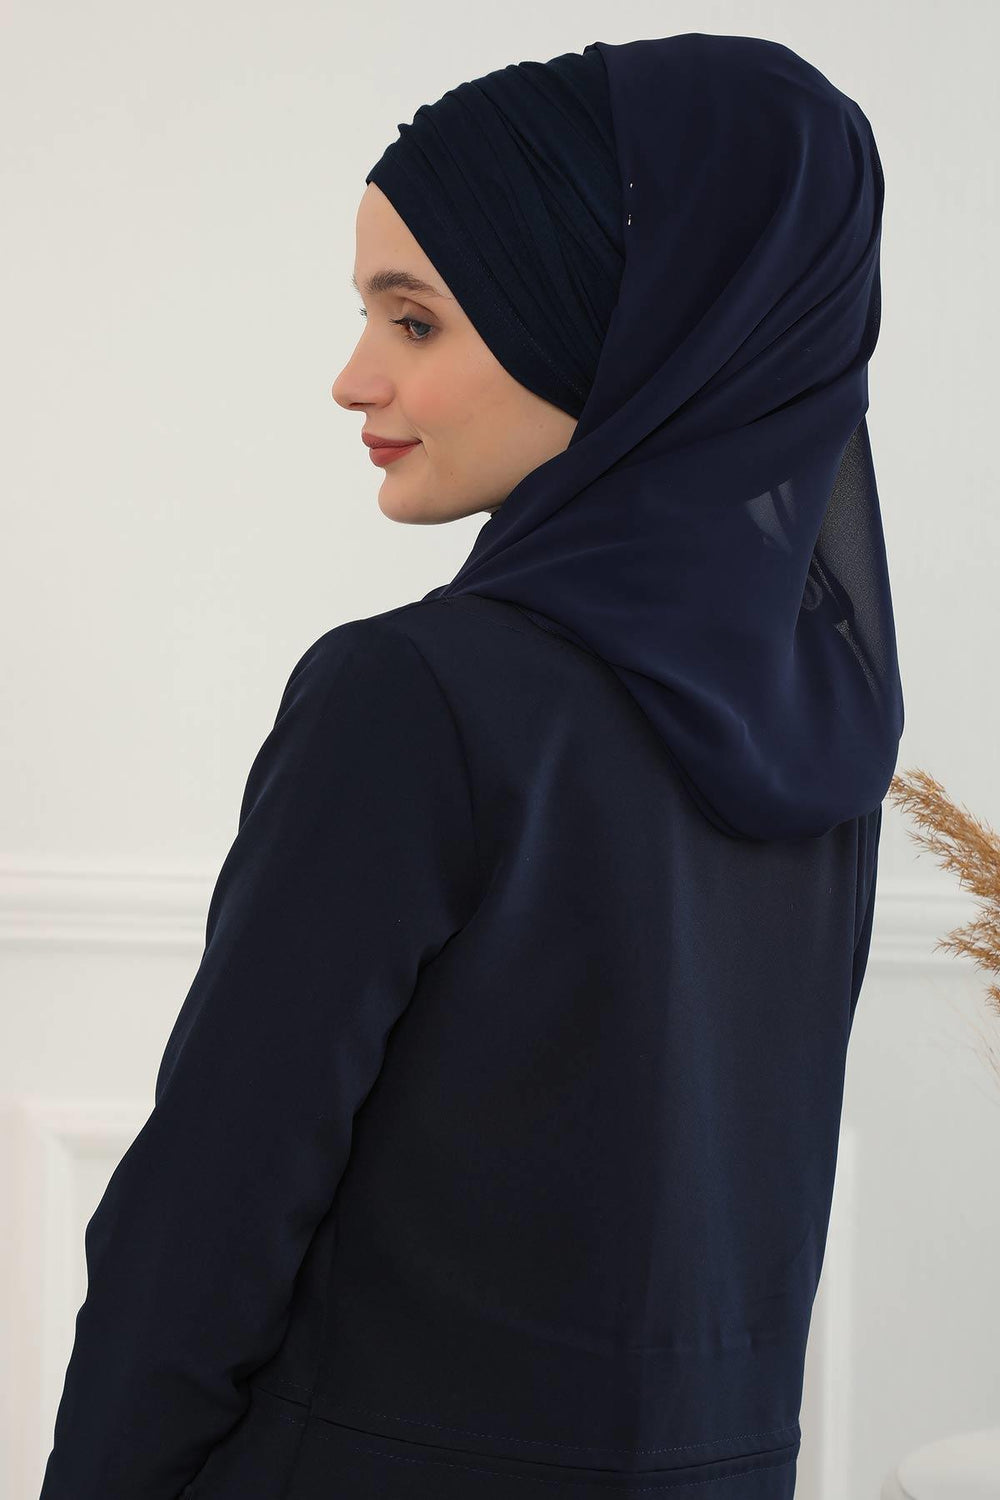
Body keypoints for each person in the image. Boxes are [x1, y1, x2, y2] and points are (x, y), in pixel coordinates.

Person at [38, 32, 901, 1500]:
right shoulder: (823, 723)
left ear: (605, 324)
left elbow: (210, 1215)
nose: (353, 377)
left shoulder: (414, 698)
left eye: (415, 320)